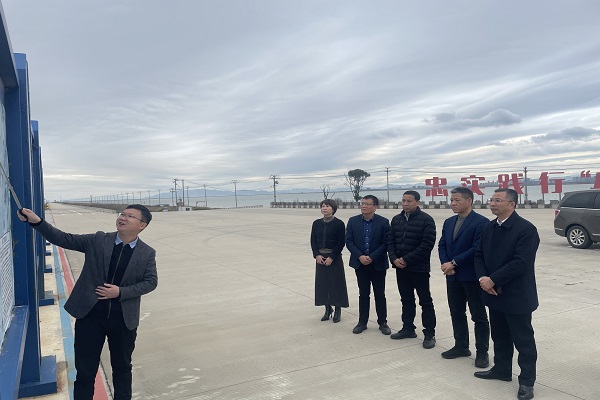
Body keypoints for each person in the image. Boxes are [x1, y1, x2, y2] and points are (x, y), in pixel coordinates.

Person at [18, 205, 158, 400]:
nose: (123, 218)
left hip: (123, 321)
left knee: (122, 368)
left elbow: (151, 282)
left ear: (142, 225)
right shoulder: (98, 240)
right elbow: (64, 239)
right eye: (122, 214)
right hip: (90, 317)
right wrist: (38, 222)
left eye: (130, 216)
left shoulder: (147, 252)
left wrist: (120, 292)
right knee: (85, 372)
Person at [473, 188, 539, 400]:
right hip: (493, 292)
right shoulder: (489, 227)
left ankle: (527, 381)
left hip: (516, 295)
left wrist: (493, 279)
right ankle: (501, 370)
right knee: (499, 335)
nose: (492, 203)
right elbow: (479, 255)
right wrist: (483, 278)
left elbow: (521, 262)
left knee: (523, 341)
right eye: (491, 200)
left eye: (498, 200)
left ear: (512, 204)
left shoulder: (526, 229)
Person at [438, 187, 490, 367]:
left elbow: (477, 248)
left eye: (457, 200)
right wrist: (446, 264)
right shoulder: (449, 222)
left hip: (471, 276)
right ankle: (461, 346)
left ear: (469, 201)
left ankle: (482, 352)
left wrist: (454, 263)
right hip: (452, 276)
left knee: (478, 316)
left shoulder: (481, 222)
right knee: (456, 312)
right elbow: (442, 244)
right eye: (451, 200)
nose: (453, 203)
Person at [388, 190, 437, 348]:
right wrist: (394, 258)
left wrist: (406, 259)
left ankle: (429, 333)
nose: (405, 204)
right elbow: (390, 242)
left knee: (425, 301)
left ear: (417, 202)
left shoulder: (426, 220)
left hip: (419, 268)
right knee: (406, 299)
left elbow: (427, 245)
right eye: (403, 200)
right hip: (400, 268)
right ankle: (408, 328)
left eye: (409, 201)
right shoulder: (396, 219)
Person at [345, 195, 391, 335]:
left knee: (380, 294)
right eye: (362, 203)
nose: (364, 206)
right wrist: (360, 256)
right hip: (360, 264)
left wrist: (372, 257)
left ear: (375, 207)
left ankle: (382, 322)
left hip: (377, 264)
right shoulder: (353, 221)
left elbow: (386, 243)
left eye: (367, 204)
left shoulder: (383, 222)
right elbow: (349, 241)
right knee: (363, 294)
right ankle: (362, 322)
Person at [310, 199, 349, 322]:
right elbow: (313, 240)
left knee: (336, 284)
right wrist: (316, 255)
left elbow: (341, 242)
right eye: (322, 206)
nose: (324, 208)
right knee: (323, 284)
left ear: (333, 208)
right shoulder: (316, 223)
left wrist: (332, 257)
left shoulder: (339, 223)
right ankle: (328, 309)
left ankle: (337, 309)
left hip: (334, 258)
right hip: (320, 258)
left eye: (327, 206)